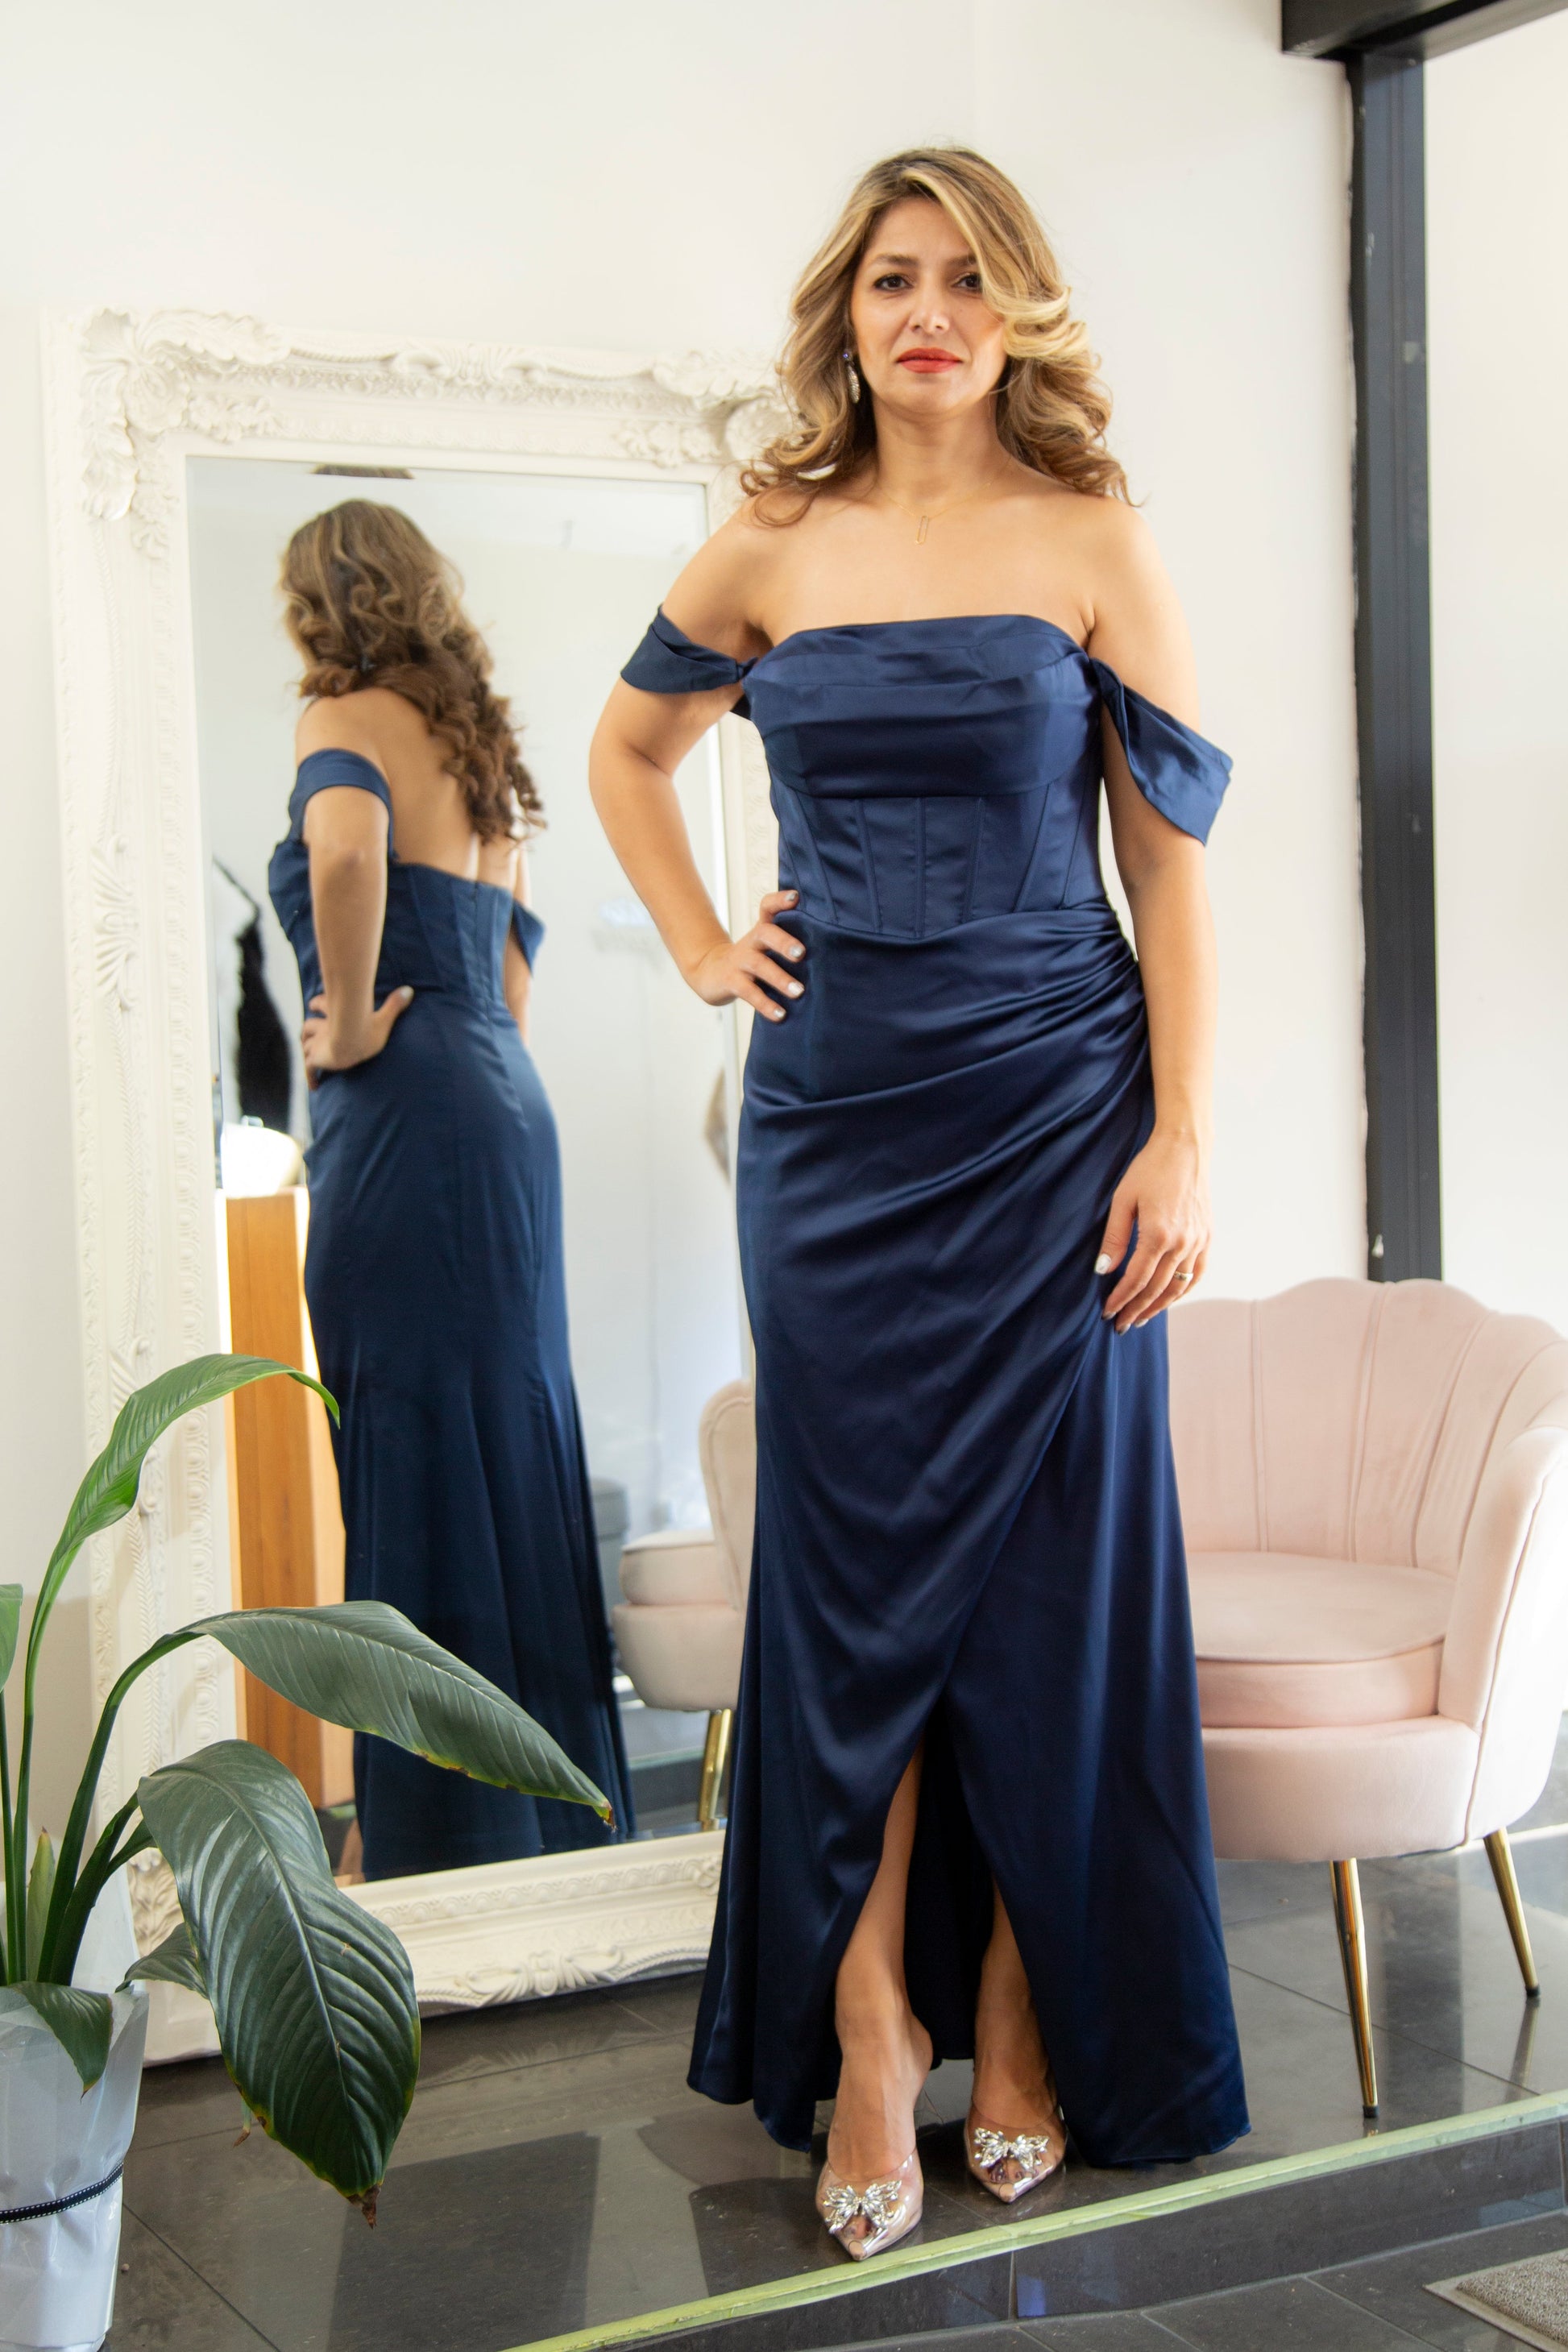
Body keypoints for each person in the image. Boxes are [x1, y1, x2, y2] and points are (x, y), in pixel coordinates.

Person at [589, 147, 1247, 2260]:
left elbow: (1169, 872)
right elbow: (624, 751)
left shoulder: (1094, 539)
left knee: (1047, 1596)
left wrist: (1183, 1134)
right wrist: (706, 946)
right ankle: (867, 2027)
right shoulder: (770, 542)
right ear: (846, 311)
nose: (927, 309)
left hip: (1062, 1114)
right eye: (892, 277)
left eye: (965, 277)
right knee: (850, 1598)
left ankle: (1021, 2006)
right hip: (839, 1134)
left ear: (1016, 309)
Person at [268, 499, 633, 1880]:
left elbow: (347, 854)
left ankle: (430, 1839)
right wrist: (462, 1050)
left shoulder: (339, 717)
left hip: (404, 1108)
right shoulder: (479, 750)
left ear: (322, 601)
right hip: (498, 1105)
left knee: (410, 1444)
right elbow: (514, 964)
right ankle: (539, 1818)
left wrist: (353, 1021)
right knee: (511, 1443)